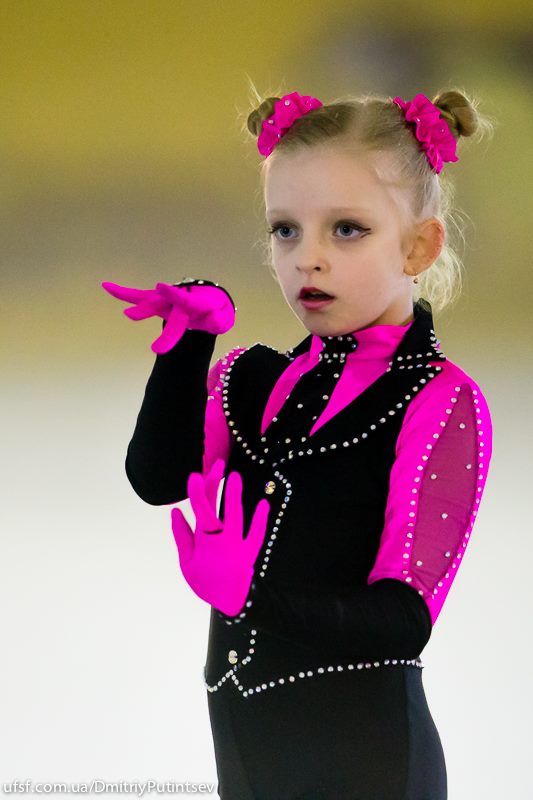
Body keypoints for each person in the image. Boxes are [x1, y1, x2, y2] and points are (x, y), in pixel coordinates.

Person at [102, 87, 494, 799]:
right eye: (285, 230)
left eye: (346, 229)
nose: (306, 258)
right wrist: (188, 346)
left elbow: (402, 621)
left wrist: (252, 596)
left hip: (371, 765)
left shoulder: (439, 399)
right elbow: (158, 478)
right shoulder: (250, 379)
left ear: (418, 245)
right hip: (249, 755)